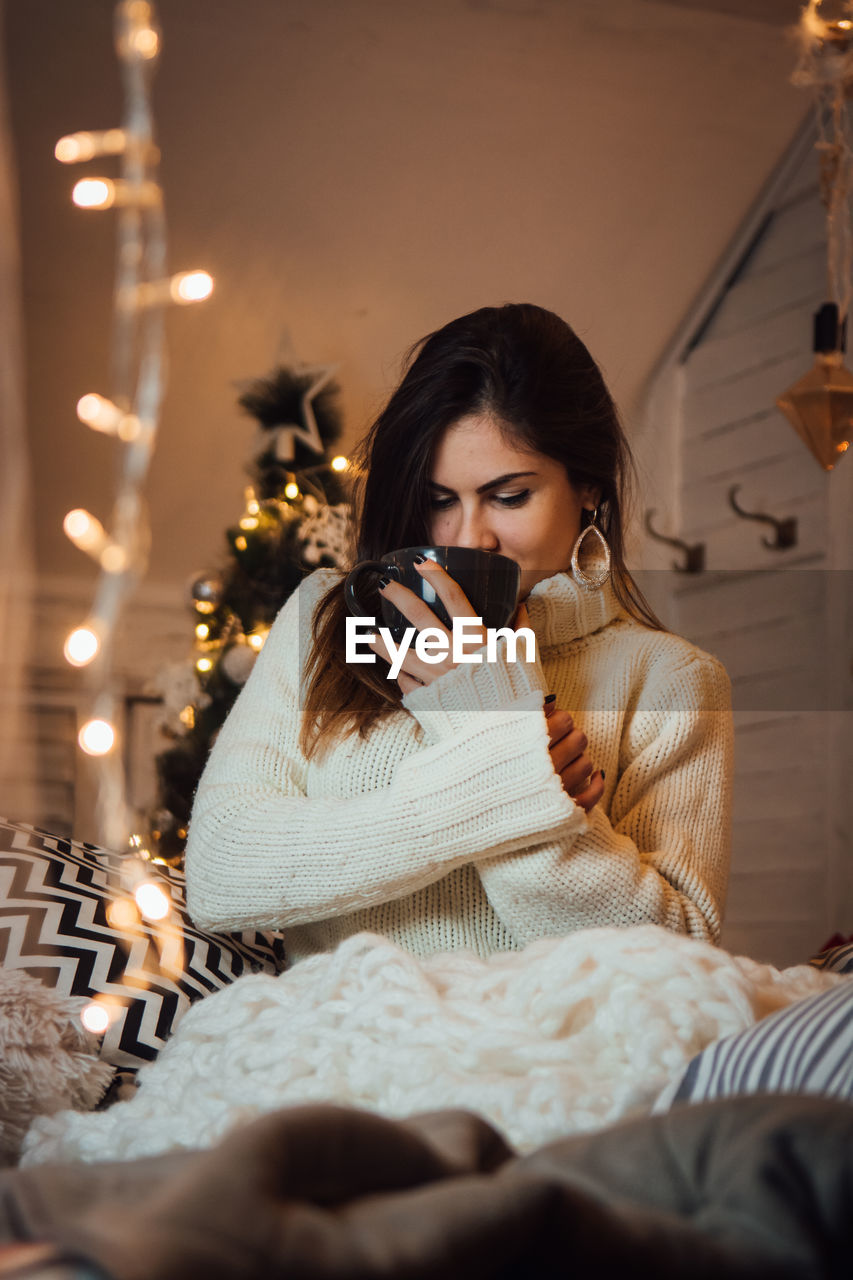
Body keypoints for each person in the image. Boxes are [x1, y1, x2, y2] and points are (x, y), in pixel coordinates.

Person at [185, 303, 733, 958]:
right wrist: (502, 773)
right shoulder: (324, 617)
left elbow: (675, 955)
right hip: (337, 1043)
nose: (468, 536)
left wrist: (481, 715)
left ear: (587, 485)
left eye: (509, 496)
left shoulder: (670, 680)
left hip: (550, 1051)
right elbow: (220, 873)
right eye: (438, 500)